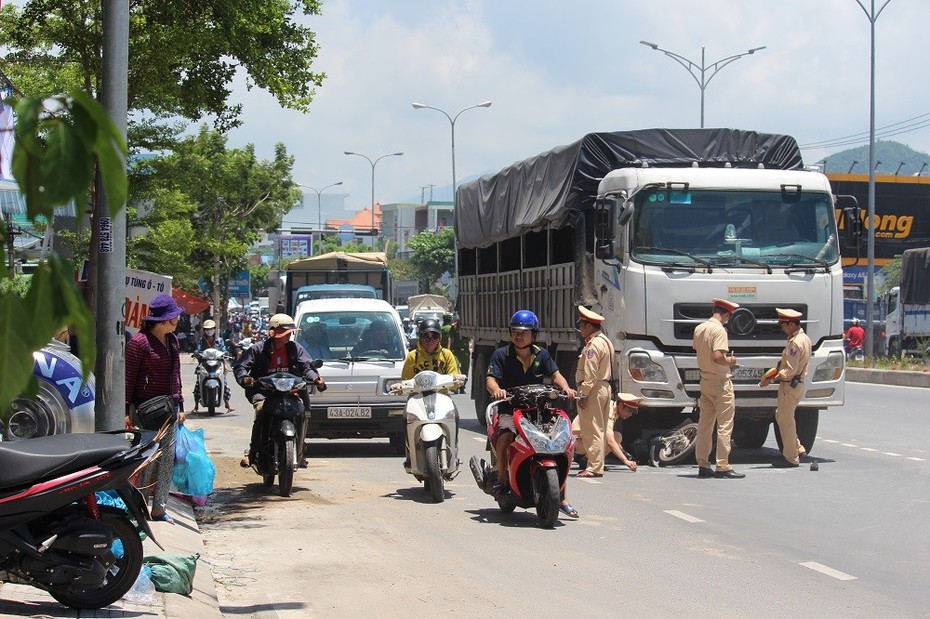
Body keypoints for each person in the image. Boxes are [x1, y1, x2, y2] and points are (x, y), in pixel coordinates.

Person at [486, 310, 578, 518]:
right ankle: (502, 479)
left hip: (539, 409)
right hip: (511, 408)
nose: (519, 336)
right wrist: (496, 390)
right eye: (515, 332)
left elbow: (555, 375)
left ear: (533, 335)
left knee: (561, 443)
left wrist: (568, 389)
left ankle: (562, 497)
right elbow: (490, 378)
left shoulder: (542, 354)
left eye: (524, 332)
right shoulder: (501, 354)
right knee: (506, 437)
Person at [234, 313, 326, 469]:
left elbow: (307, 366)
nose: (288, 336)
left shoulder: (295, 348)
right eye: (285, 333)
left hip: (290, 391)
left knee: (304, 412)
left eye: (290, 333)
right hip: (264, 392)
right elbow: (241, 366)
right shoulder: (258, 349)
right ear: (273, 333)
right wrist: (245, 378)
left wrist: (316, 379)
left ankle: (300, 450)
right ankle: (252, 452)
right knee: (262, 411)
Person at [125, 294, 186, 523]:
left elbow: (176, 376)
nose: (178, 320)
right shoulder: (138, 344)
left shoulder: (173, 342)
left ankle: (159, 508)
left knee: (167, 458)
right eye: (174, 317)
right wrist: (126, 411)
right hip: (143, 411)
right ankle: (138, 506)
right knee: (147, 459)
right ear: (163, 320)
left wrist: (180, 404)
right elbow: (128, 378)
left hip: (168, 409)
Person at [692, 298, 745, 479]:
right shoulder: (719, 330)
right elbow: (717, 356)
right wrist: (730, 361)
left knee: (705, 425)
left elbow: (698, 350)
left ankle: (703, 464)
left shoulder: (700, 328)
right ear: (727, 315)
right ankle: (723, 465)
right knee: (724, 425)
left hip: (705, 380)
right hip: (720, 382)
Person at [760, 308, 811, 468]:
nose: (781, 327)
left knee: (786, 420)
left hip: (789, 385)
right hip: (797, 385)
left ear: (791, 324)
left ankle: (791, 457)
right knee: (783, 417)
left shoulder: (795, 343)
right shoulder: (804, 338)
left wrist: (772, 378)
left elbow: (790, 370)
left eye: (783, 324)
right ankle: (797, 448)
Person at [573, 306, 615, 478]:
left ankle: (594, 467)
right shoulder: (605, 341)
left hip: (594, 388)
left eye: (582, 326)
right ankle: (597, 465)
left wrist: (583, 394)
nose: (581, 330)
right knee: (600, 428)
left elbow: (590, 373)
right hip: (604, 387)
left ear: (589, 326)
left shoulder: (593, 345)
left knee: (592, 429)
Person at [192, 319, 234, 413]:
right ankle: (196, 406)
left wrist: (226, 353)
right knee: (198, 383)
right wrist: (196, 354)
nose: (209, 331)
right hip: (205, 364)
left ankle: (227, 404)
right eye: (207, 329)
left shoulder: (219, 340)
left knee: (224, 383)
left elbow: (224, 350)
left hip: (217, 364)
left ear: (214, 329)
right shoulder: (202, 341)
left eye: (211, 329)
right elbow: (197, 350)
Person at [606, 393, 641, 472]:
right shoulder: (609, 412)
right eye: (628, 411)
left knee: (617, 437)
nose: (630, 415)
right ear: (620, 406)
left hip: (585, 439)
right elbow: (610, 441)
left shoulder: (613, 409)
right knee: (617, 437)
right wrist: (626, 461)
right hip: (579, 441)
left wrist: (625, 453)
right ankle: (587, 460)